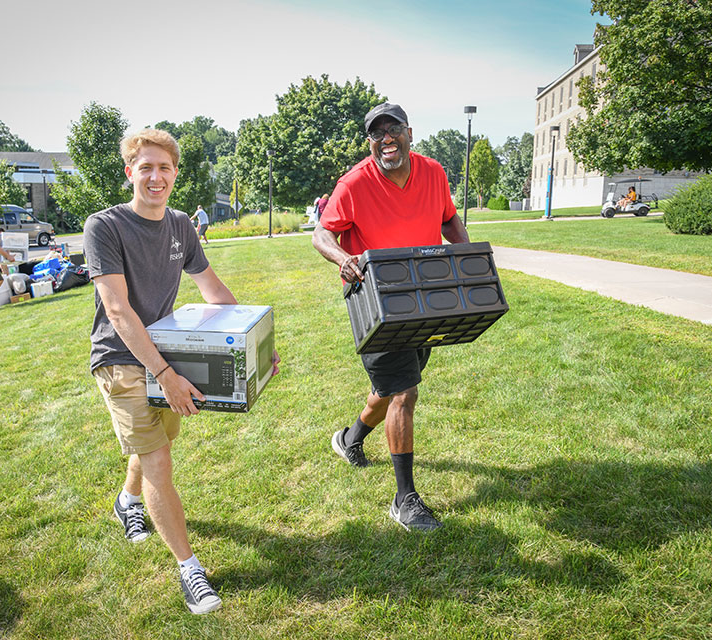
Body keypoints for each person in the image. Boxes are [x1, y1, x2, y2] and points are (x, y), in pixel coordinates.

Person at [84, 129, 277, 615]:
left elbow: (213, 290)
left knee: (157, 446)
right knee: (158, 461)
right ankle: (190, 569)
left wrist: (256, 346)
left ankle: (127, 503)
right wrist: (166, 374)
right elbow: (119, 311)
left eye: (164, 168)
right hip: (122, 360)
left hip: (169, 353)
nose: (156, 176)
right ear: (129, 172)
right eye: (145, 167)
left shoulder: (180, 226)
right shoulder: (103, 227)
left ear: (175, 174)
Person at [312, 102, 470, 532]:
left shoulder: (434, 172)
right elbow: (322, 233)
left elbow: (450, 221)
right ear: (370, 141)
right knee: (405, 392)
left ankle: (349, 440)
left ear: (409, 132)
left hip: (421, 297)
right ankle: (405, 499)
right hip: (374, 300)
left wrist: (464, 258)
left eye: (393, 129)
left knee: (392, 384)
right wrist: (343, 258)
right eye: (377, 133)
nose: (386, 138)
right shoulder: (354, 183)